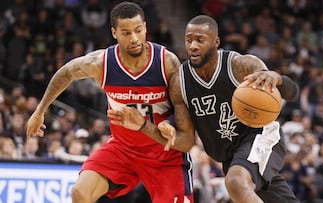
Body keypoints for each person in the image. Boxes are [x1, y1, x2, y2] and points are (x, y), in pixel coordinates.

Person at [26, 2, 193, 203]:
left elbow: (183, 106)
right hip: (123, 149)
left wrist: (170, 123)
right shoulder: (102, 63)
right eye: (126, 33)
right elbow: (66, 72)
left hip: (163, 152)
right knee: (80, 193)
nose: (134, 38)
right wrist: (40, 110)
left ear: (146, 27)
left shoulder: (167, 62)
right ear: (114, 33)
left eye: (138, 31)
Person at [159, 15, 301, 202]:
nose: (193, 45)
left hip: (260, 136)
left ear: (215, 42)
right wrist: (152, 129)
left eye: (200, 40)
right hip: (230, 155)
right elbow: (186, 142)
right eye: (189, 40)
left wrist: (277, 78)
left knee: (235, 182)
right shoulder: (180, 83)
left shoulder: (240, 65)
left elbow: (293, 93)